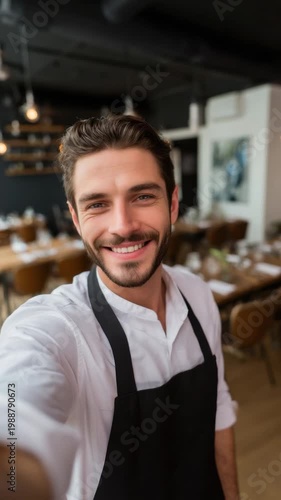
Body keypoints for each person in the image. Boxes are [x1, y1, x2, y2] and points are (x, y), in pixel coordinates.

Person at [0, 115, 239, 500]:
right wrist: (12, 465)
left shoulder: (197, 295)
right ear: (76, 220)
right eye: (97, 204)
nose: (123, 225)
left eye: (143, 196)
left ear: (173, 203)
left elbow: (219, 410)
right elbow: (13, 416)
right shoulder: (54, 330)